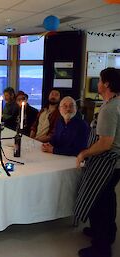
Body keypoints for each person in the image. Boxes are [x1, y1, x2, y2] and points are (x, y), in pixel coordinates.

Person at [76, 68, 120, 257]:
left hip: (108, 162)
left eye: (100, 80)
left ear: (107, 84)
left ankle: (101, 248)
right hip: (115, 163)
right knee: (106, 199)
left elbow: (105, 143)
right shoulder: (114, 102)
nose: (98, 83)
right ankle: (104, 234)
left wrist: (84, 153)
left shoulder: (110, 109)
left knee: (101, 202)